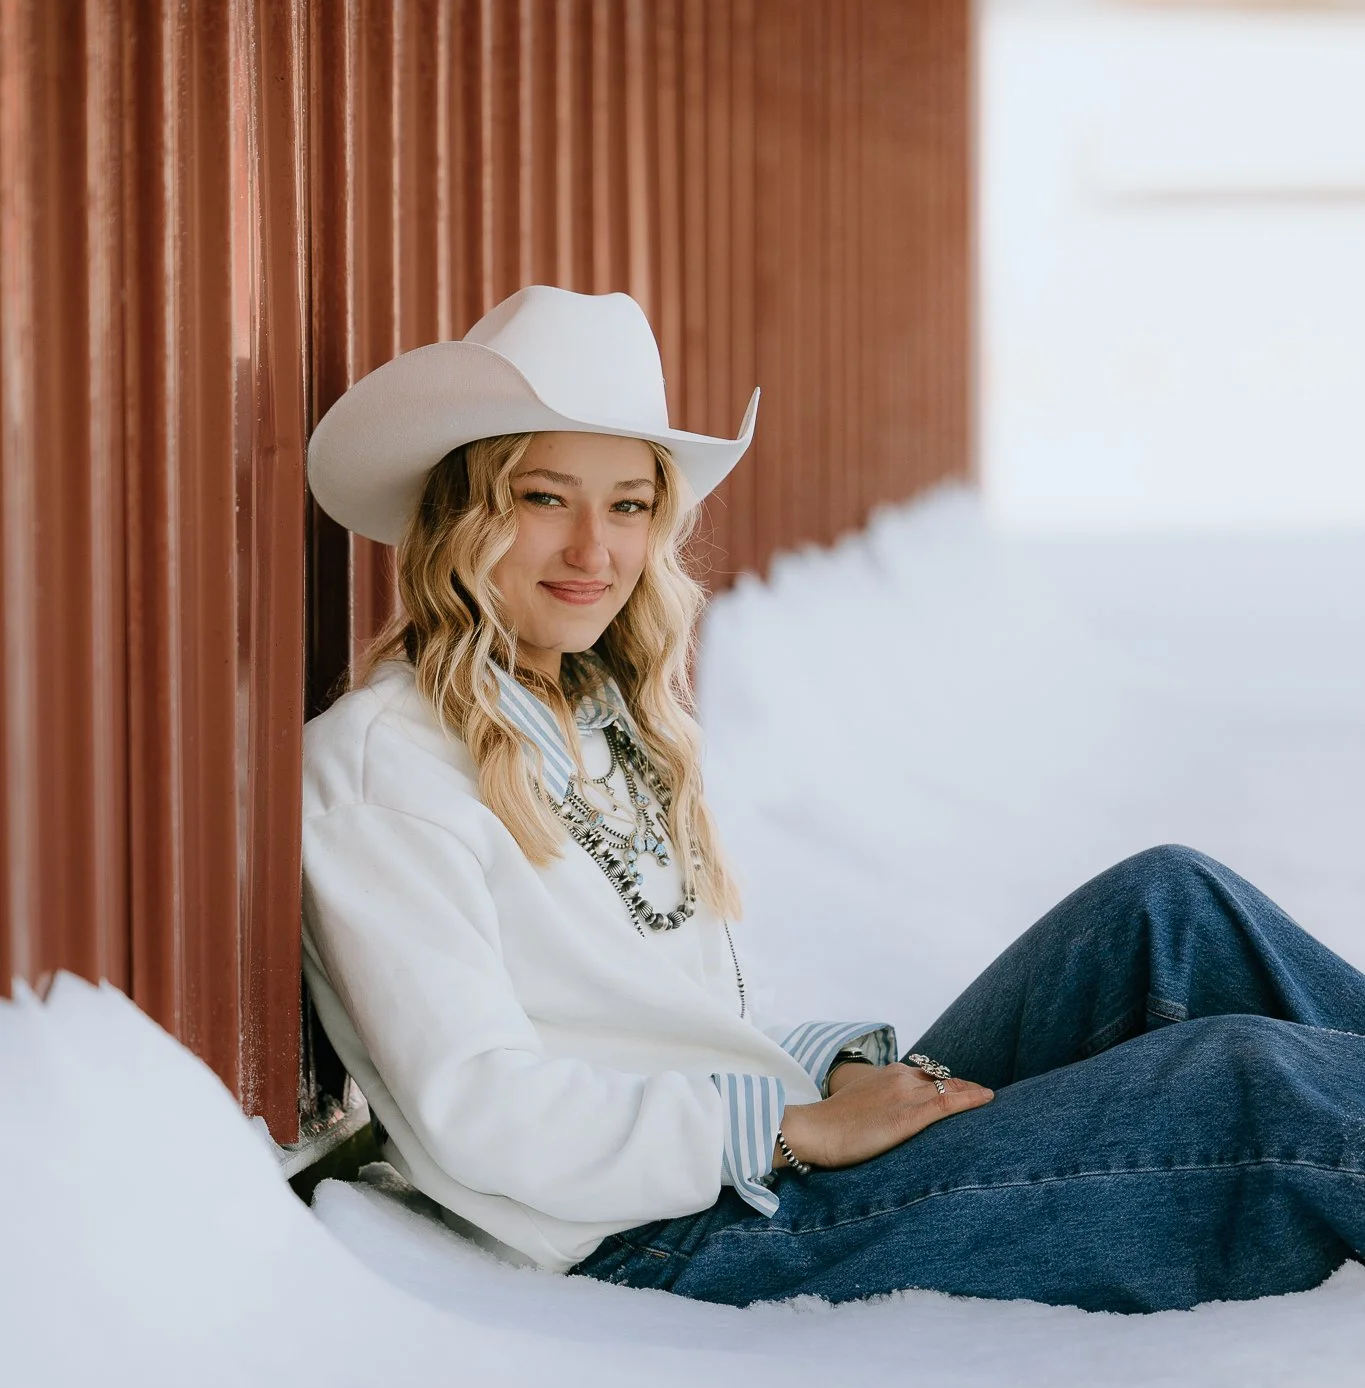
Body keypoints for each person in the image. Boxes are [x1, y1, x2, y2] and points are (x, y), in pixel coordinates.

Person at [302, 286, 1365, 1312]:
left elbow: (680, 1028)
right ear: (464, 512)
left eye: (628, 505)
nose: (596, 550)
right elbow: (483, 1111)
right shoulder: (381, 771)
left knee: (1167, 904)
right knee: (1249, 1082)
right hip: (665, 1238)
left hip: (755, 1160)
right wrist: (795, 1128)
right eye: (545, 498)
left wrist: (833, 1072)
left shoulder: (596, 714)